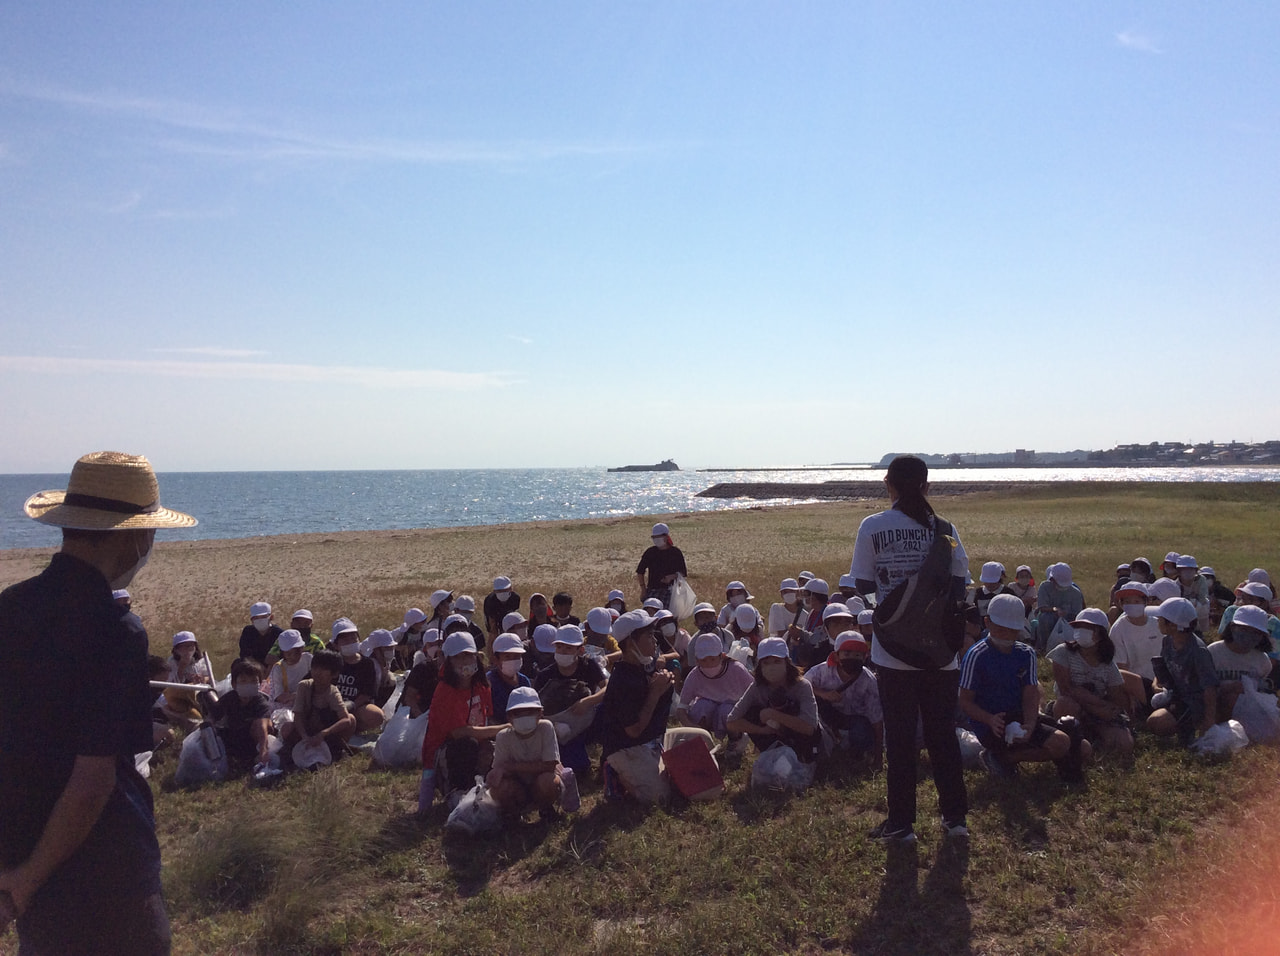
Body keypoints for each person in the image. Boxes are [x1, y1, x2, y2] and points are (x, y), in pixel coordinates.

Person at [1, 450, 196, 954]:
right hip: (106, 872)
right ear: (134, 536)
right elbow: (93, 781)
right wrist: (25, 881)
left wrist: (17, 878)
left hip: (24, 850)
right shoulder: (116, 632)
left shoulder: (9, 610)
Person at [849, 455, 969, 843]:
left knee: (900, 740)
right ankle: (955, 819)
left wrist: (894, 617)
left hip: (893, 650)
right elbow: (959, 584)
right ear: (927, 486)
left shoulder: (873, 526)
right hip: (941, 652)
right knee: (942, 736)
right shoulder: (947, 531)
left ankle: (901, 823)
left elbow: (863, 586)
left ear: (888, 484)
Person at [959, 594, 1081, 779]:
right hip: (991, 725)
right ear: (988, 623)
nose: (1007, 635)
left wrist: (1031, 723)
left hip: (1020, 716)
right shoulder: (976, 655)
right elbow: (965, 701)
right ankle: (1002, 756)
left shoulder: (1026, 653)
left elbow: (1030, 692)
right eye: (1001, 629)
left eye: (1012, 630)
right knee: (1062, 743)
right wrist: (989, 719)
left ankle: (1007, 757)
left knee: (1083, 749)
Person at [726, 637, 822, 789]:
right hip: (771, 738)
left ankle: (798, 761)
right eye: (766, 663)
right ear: (760, 666)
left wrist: (774, 714)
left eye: (777, 661)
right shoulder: (757, 687)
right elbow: (732, 721)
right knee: (752, 713)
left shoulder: (802, 686)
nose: (771, 667)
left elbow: (810, 728)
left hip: (801, 740)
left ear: (786, 662)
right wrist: (762, 730)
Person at [597, 611, 675, 798]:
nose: (655, 641)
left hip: (652, 740)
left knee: (701, 739)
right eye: (649, 636)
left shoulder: (642, 667)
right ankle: (613, 770)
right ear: (631, 643)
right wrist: (655, 692)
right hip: (627, 748)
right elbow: (633, 731)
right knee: (660, 796)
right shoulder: (623, 680)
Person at [420, 633, 503, 808]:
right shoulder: (445, 691)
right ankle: (458, 792)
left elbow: (486, 719)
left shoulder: (482, 685)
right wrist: (504, 728)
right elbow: (460, 732)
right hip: (446, 754)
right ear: (448, 661)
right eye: (458, 657)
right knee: (466, 744)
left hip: (477, 742)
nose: (464, 661)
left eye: (468, 655)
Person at [1046, 609, 1134, 757]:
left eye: (1088, 628)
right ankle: (1074, 741)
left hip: (1099, 709)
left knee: (1123, 744)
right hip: (1075, 707)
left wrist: (1113, 712)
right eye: (1078, 627)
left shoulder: (1108, 663)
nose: (1081, 632)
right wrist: (1096, 708)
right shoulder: (1063, 652)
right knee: (1064, 704)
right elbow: (1066, 689)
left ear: (1100, 634)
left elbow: (1116, 695)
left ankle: (1093, 734)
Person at [1145, 597, 1218, 746]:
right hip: (1176, 695)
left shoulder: (1198, 651)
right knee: (1152, 720)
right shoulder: (1167, 641)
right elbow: (1165, 667)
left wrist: (1209, 721)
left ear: (1173, 625)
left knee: (1157, 722)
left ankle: (1187, 730)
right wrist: (1157, 684)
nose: (1157, 621)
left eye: (1160, 619)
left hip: (1193, 702)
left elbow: (1210, 688)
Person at [804, 631, 883, 767]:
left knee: (861, 734)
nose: (852, 658)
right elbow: (802, 685)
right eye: (846, 654)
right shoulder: (822, 671)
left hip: (855, 719)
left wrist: (878, 756)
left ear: (865, 657)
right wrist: (823, 694)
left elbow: (877, 720)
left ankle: (857, 753)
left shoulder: (868, 681)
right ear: (836, 656)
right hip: (825, 716)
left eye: (857, 655)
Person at [486, 686, 563, 820]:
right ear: (509, 717)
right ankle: (513, 813)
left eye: (530, 712)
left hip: (540, 783)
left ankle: (545, 808)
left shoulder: (546, 728)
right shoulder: (503, 737)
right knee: (498, 789)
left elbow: (550, 766)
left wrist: (510, 767)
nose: (524, 717)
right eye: (518, 713)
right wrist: (497, 774)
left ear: (540, 713)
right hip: (518, 785)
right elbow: (500, 769)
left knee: (548, 782)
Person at [675, 633, 755, 747]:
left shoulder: (736, 669)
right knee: (701, 707)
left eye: (712, 659)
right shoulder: (695, 675)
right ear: (697, 660)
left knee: (726, 711)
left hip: (732, 711)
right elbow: (681, 708)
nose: (708, 664)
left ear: (721, 656)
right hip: (708, 713)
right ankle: (702, 741)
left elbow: (755, 693)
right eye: (703, 660)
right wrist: (692, 727)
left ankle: (736, 739)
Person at [283, 649, 355, 758]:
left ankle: (338, 748)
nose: (317, 672)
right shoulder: (304, 686)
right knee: (286, 727)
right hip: (306, 728)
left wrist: (323, 734)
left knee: (351, 719)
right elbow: (298, 715)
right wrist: (304, 737)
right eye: (315, 668)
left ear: (334, 674)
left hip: (325, 732)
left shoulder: (332, 691)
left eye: (323, 669)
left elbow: (345, 719)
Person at [1208, 605, 1274, 721]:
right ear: (1232, 627)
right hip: (1214, 709)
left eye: (1256, 633)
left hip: (1249, 713)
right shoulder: (1213, 652)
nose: (1249, 636)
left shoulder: (1263, 661)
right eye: (1244, 630)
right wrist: (1227, 689)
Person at [207, 659, 274, 772]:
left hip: (253, 741)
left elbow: (262, 727)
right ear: (234, 684)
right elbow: (213, 716)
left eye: (253, 681)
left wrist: (263, 750)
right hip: (234, 736)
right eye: (243, 681)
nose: (248, 685)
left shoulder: (260, 701)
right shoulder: (230, 698)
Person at [1109, 582, 1163, 712]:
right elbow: (1121, 667)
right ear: (1121, 604)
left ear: (1146, 602)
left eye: (1136, 601)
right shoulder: (1118, 629)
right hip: (1138, 683)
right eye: (1127, 601)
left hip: (1161, 680)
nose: (1132, 604)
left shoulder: (1158, 624)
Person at [330, 619, 383, 733]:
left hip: (356, 707)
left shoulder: (367, 664)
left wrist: (351, 706)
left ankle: (353, 730)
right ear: (336, 645)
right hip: (330, 706)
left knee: (376, 715)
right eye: (345, 640)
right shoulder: (331, 662)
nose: (350, 642)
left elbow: (367, 694)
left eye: (353, 638)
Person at [634, 522, 687, 609]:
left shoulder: (675, 552)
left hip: (670, 591)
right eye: (654, 537)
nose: (656, 540)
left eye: (658, 537)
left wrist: (671, 577)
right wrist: (643, 589)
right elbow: (640, 571)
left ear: (666, 537)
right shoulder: (650, 552)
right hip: (652, 590)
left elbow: (683, 573)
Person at [1035, 562, 1085, 651]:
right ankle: (1044, 647)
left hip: (1068, 620)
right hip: (1050, 615)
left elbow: (1078, 614)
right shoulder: (1044, 587)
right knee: (1045, 618)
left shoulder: (1076, 593)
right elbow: (1042, 607)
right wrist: (1055, 610)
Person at [487, 633, 532, 724]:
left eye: (516, 656)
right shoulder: (489, 682)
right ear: (496, 659)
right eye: (507, 656)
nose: (513, 660)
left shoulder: (524, 681)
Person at [265, 629, 313, 712]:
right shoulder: (278, 669)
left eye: (297, 652)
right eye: (289, 654)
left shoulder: (309, 659)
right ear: (282, 652)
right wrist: (296, 696)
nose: (293, 656)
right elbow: (279, 696)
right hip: (288, 707)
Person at [237, 601, 281, 666]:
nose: (260, 620)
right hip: (253, 668)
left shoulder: (278, 633)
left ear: (271, 617)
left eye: (263, 617)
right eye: (256, 618)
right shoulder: (248, 632)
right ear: (252, 620)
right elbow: (245, 654)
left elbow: (277, 658)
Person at [483, 577, 521, 641]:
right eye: (499, 591)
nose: (503, 593)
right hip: (495, 615)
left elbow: (514, 615)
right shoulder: (490, 601)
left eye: (505, 590)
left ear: (511, 588)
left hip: (509, 614)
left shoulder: (515, 598)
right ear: (494, 591)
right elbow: (491, 621)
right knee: (493, 634)